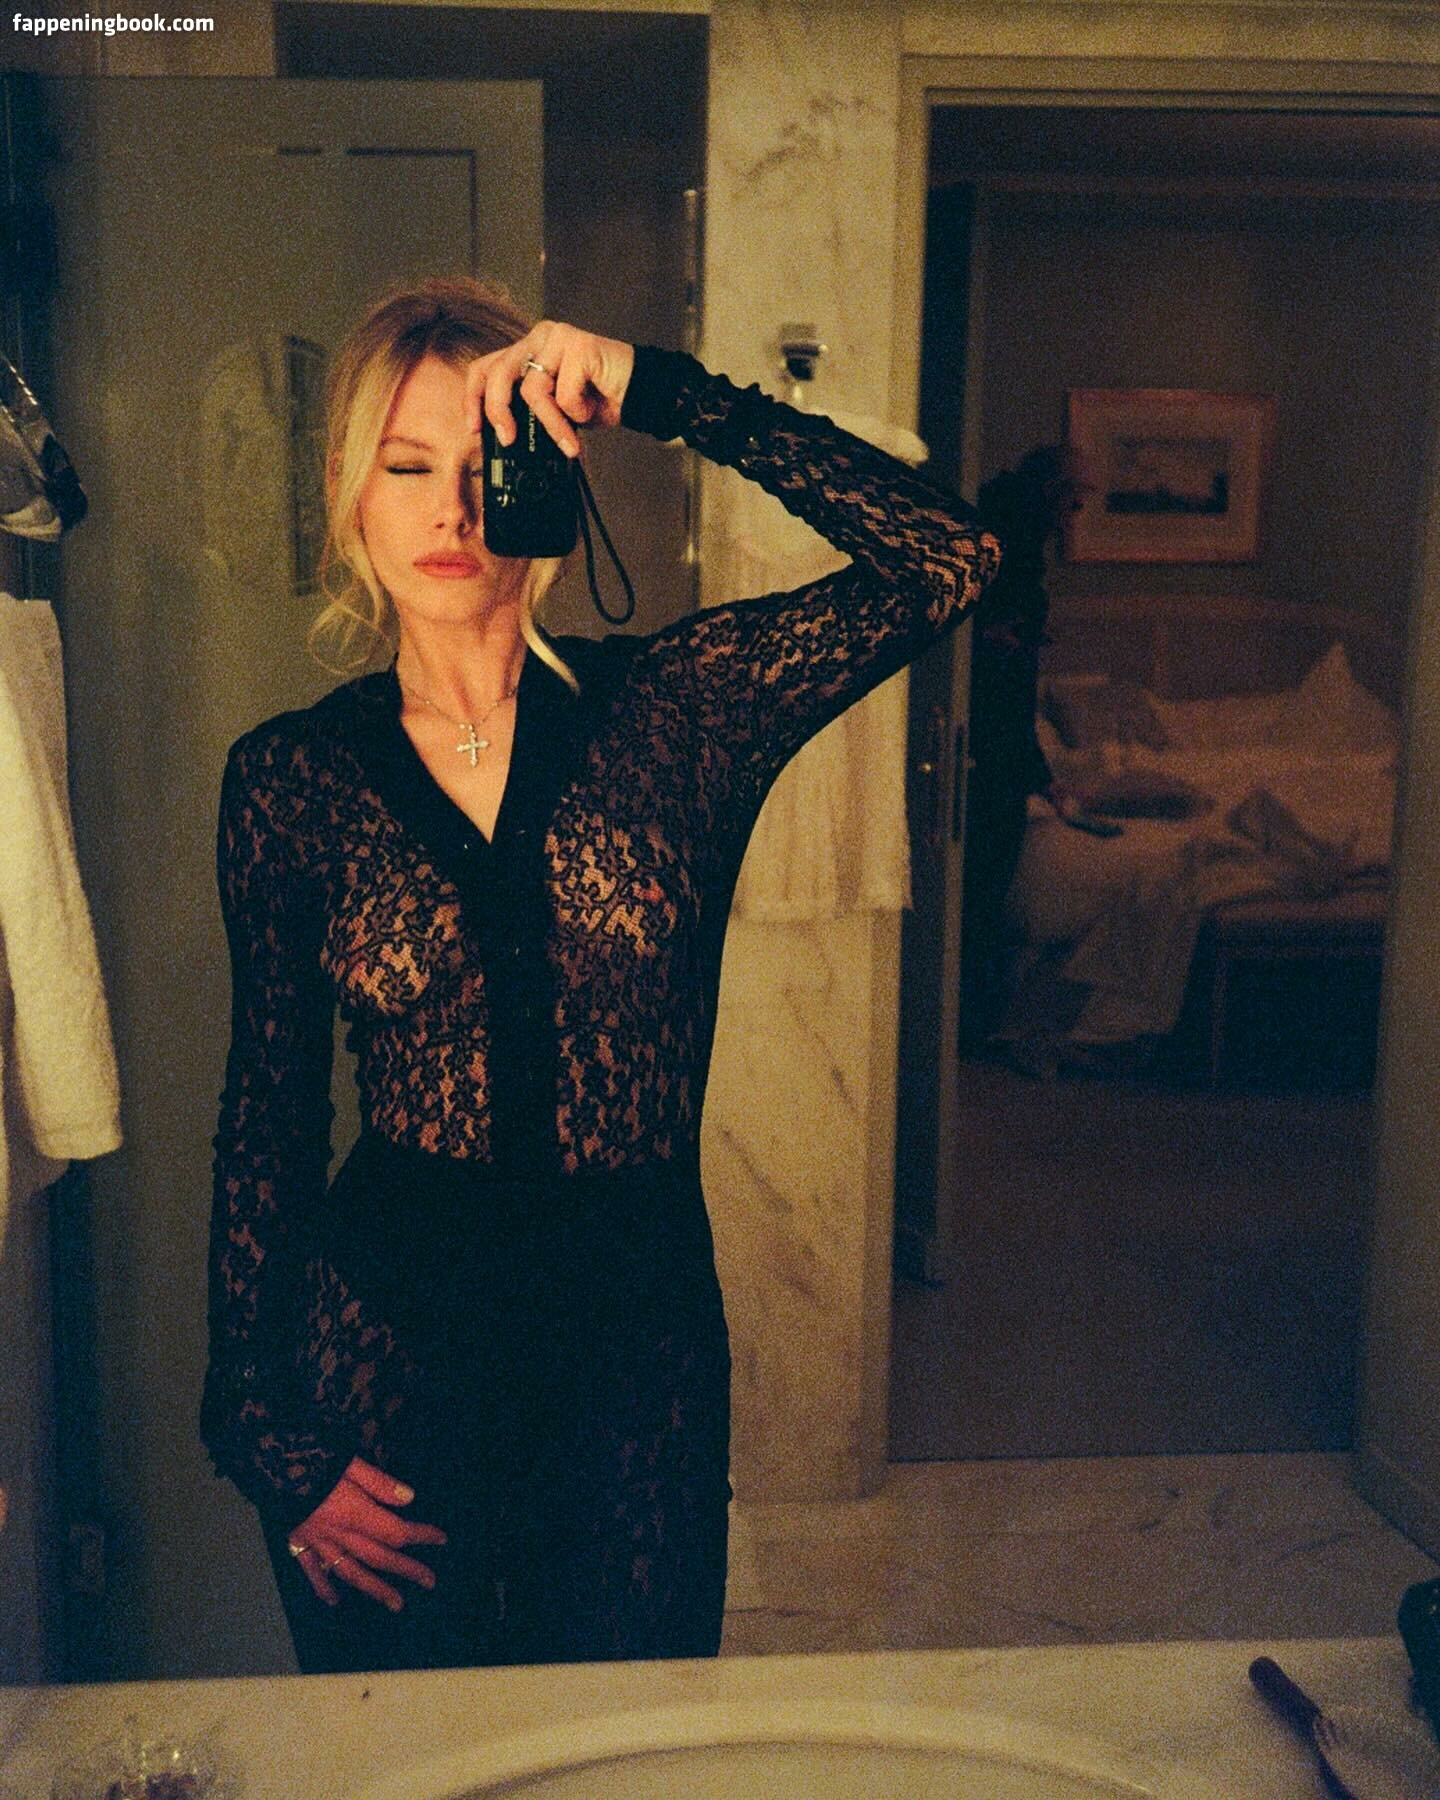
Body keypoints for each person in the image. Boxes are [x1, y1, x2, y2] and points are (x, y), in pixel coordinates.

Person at [202, 274, 1001, 1674]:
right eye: (407, 467)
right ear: (348, 494)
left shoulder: (675, 715)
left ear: (552, 484)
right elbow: (267, 1120)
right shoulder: (292, 778)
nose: (451, 512)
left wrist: (656, 388)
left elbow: (949, 559)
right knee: (410, 1755)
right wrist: (265, 1435)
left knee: (629, 1742)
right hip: (381, 1364)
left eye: (488, 464)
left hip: (637, 1366)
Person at [960, 446, 1088, 1049]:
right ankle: (971, 1024)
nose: (1075, 514)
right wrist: (994, 639)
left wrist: (1043, 775)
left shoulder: (1003, 529)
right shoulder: (1009, 540)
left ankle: (972, 1019)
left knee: (980, 894)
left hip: (1000, 743)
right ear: (1052, 494)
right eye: (1073, 501)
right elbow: (1007, 695)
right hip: (990, 747)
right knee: (981, 894)